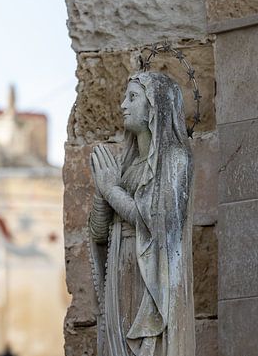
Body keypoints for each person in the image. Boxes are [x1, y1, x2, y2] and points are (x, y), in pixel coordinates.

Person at [89, 72, 195, 356]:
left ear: (154, 107)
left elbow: (156, 220)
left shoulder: (174, 160)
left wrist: (111, 190)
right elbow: (99, 234)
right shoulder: (126, 166)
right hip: (120, 268)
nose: (123, 104)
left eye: (132, 97)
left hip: (150, 275)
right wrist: (102, 191)